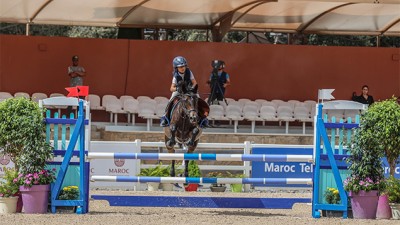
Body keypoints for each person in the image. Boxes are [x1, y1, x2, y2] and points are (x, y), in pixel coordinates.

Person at [160, 56, 210, 128]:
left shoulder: (189, 72)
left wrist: (191, 89)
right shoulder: (175, 76)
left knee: (198, 99)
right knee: (170, 101)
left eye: (183, 66)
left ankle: (203, 119)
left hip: (189, 90)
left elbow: (195, 83)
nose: (182, 68)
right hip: (179, 91)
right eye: (180, 67)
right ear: (176, 68)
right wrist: (177, 88)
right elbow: (171, 88)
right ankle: (164, 118)